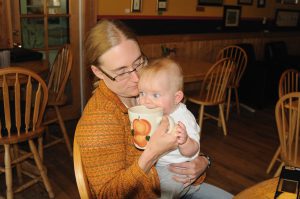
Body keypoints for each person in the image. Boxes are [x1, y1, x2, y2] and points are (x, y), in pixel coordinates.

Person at [75, 18, 233, 199]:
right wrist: (151, 155)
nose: (136, 78)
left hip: (180, 185)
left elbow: (181, 129)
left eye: (138, 63)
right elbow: (108, 195)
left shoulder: (148, 89)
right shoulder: (98, 122)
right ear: (98, 72)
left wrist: (203, 160)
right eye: (122, 72)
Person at [137, 58, 201, 198]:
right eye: (142, 93)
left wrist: (185, 142)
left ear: (176, 97)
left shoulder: (184, 118)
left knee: (166, 193)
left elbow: (194, 150)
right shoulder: (152, 111)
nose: (145, 100)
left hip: (176, 168)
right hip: (156, 164)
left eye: (155, 95)